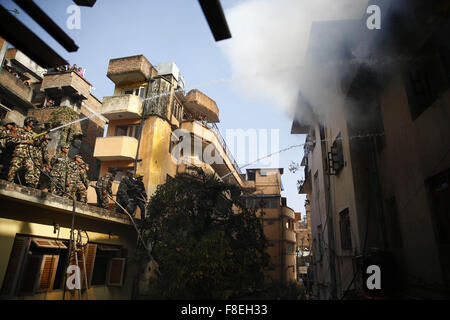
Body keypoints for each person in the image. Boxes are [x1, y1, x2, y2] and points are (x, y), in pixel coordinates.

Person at [7, 117, 41, 187]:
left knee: (31, 170)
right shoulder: (19, 131)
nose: (34, 124)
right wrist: (26, 141)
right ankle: (9, 183)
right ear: (28, 122)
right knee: (13, 169)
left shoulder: (34, 134)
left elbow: (37, 144)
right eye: (32, 122)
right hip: (19, 153)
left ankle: (30, 186)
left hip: (29, 155)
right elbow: (11, 139)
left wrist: (40, 141)